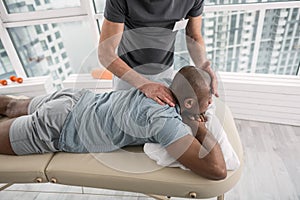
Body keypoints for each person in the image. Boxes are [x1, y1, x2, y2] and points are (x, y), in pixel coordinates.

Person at [0, 66, 226, 180]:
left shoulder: (166, 83)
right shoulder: (166, 122)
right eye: (208, 101)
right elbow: (217, 170)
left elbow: (190, 79)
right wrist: (200, 127)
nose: (210, 103)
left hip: (74, 98)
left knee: (10, 106)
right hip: (60, 125)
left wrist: (193, 104)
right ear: (188, 102)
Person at [98, 0, 219, 107]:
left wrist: (202, 65)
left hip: (165, 73)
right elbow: (105, 53)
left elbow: (193, 36)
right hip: (127, 75)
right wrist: (144, 84)